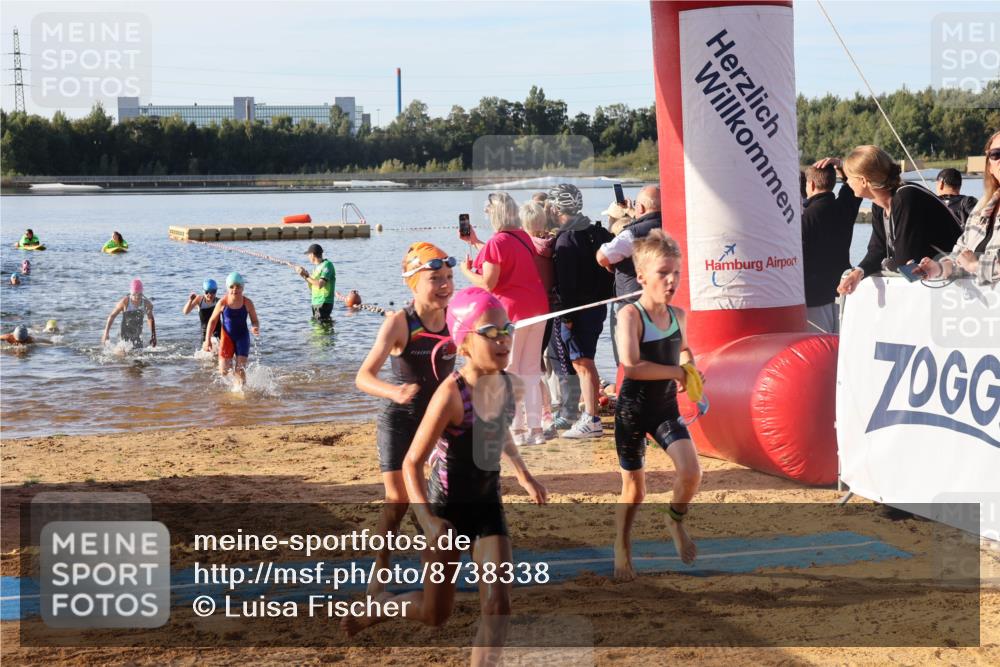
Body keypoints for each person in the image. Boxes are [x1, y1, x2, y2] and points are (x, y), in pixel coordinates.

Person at [342, 287, 547, 666]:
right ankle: (382, 606)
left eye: (507, 330)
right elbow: (412, 463)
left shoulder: (507, 385)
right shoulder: (451, 394)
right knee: (435, 614)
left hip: (486, 506)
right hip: (445, 511)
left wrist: (523, 474)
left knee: (498, 605)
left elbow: (498, 432)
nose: (503, 340)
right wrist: (428, 520)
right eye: (491, 332)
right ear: (463, 343)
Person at [355, 242, 456, 595]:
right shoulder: (400, 323)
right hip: (399, 417)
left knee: (439, 497)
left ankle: (434, 567)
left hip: (436, 419)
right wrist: (394, 392)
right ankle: (381, 566)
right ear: (413, 283)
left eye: (449, 277)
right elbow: (363, 376)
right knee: (397, 499)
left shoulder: (456, 317)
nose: (445, 285)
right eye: (435, 279)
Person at [613, 229, 703, 580]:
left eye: (676, 272)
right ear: (641, 277)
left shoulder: (678, 315)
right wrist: (677, 371)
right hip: (632, 410)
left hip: (666, 409)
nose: (671, 280)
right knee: (635, 490)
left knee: (691, 472)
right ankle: (622, 546)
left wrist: (690, 370)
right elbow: (632, 365)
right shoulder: (630, 315)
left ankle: (674, 520)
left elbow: (684, 350)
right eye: (663, 273)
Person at [461, 192, 549, 446]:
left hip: (512, 313)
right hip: (537, 307)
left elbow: (489, 283)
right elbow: (502, 254)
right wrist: (476, 242)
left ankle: (518, 430)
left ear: (495, 214)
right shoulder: (522, 237)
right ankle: (536, 430)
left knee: (510, 371)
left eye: (488, 213)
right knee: (531, 371)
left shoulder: (497, 242)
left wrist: (466, 272)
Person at [836, 146, 962, 295]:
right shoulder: (879, 205)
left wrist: (887, 263)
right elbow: (877, 250)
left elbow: (904, 260)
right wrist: (858, 273)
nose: (848, 182)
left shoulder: (906, 197)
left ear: (863, 181)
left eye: (849, 177)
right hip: (937, 285)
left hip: (956, 282)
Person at [549, 184, 614, 438]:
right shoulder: (597, 232)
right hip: (598, 307)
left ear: (556, 209)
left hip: (578, 311)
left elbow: (566, 284)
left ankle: (591, 418)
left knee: (582, 363)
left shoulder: (566, 239)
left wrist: (566, 317)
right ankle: (591, 414)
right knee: (587, 360)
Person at [917, 130, 1000, 286]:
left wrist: (975, 266)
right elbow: (960, 255)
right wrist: (938, 268)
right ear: (989, 166)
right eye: (996, 154)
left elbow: (971, 264)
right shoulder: (982, 207)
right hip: (977, 301)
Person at [597, 185, 663, 366]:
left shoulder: (632, 233)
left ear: (640, 207)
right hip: (665, 305)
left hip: (633, 306)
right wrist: (631, 211)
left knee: (629, 360)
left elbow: (603, 257)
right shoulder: (673, 225)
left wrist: (610, 264)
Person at [801, 160, 863, 333]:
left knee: (819, 347)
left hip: (814, 297)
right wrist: (841, 166)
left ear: (811, 184)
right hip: (842, 291)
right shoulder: (844, 207)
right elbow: (854, 185)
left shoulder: (805, 217)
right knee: (841, 346)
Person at [520, 201, 558, 439]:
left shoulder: (527, 248)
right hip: (549, 310)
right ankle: (544, 413)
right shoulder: (552, 244)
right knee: (535, 366)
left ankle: (541, 415)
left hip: (530, 312)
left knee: (527, 367)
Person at [203, 272, 259, 390]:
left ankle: (240, 391)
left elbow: (255, 320)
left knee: (240, 369)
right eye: (231, 287)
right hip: (226, 337)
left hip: (242, 337)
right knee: (223, 371)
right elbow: (212, 321)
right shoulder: (222, 303)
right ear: (227, 288)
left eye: (238, 286)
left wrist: (255, 327)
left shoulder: (247, 303)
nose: (235, 289)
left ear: (243, 287)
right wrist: (207, 340)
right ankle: (236, 381)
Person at [102, 279, 156, 348]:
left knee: (139, 352)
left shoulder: (147, 304)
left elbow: (150, 318)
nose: (137, 297)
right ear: (131, 293)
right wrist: (106, 333)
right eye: (134, 294)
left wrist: (153, 335)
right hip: (124, 334)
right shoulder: (125, 302)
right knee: (121, 352)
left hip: (137, 334)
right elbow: (112, 316)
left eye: (139, 295)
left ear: (142, 293)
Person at [294, 244, 335, 321]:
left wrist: (306, 276)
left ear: (312, 254)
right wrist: (303, 274)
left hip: (324, 302)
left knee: (321, 326)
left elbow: (320, 284)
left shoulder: (327, 265)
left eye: (308, 255)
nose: (308, 257)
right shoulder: (315, 269)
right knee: (316, 325)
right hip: (315, 302)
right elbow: (312, 286)